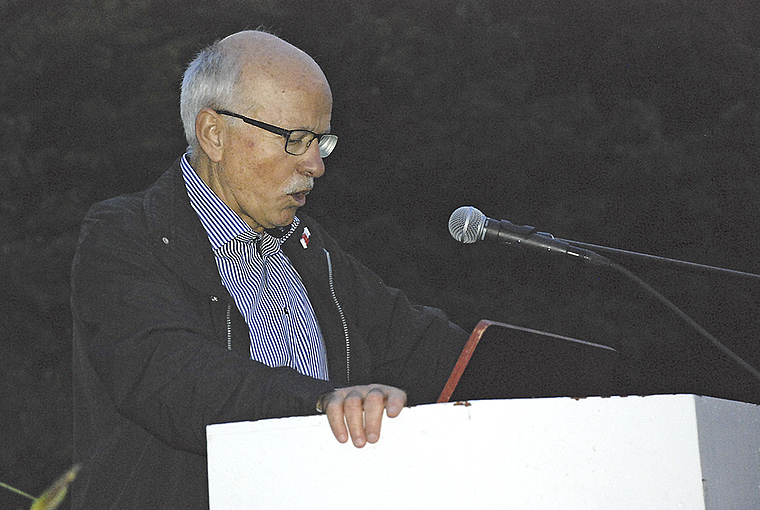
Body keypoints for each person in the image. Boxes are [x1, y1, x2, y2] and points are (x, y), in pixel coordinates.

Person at [70, 30, 467, 509]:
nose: (316, 165)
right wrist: (321, 403)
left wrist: (557, 376)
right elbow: (172, 375)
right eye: (296, 140)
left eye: (321, 141)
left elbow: (434, 352)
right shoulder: (126, 234)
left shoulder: (313, 253)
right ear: (214, 134)